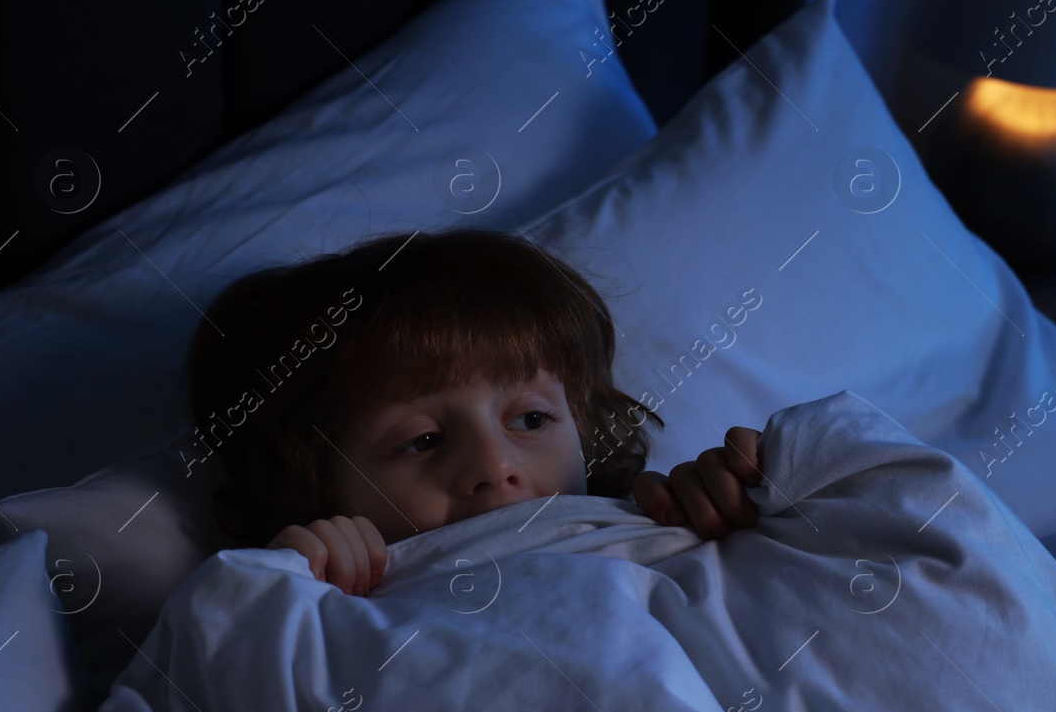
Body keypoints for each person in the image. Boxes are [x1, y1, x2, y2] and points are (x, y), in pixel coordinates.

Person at [185, 228, 764, 596]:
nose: (496, 467)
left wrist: (757, 498)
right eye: (423, 442)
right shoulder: (313, 600)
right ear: (313, 489)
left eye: (531, 420)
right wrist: (273, 587)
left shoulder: (656, 525)